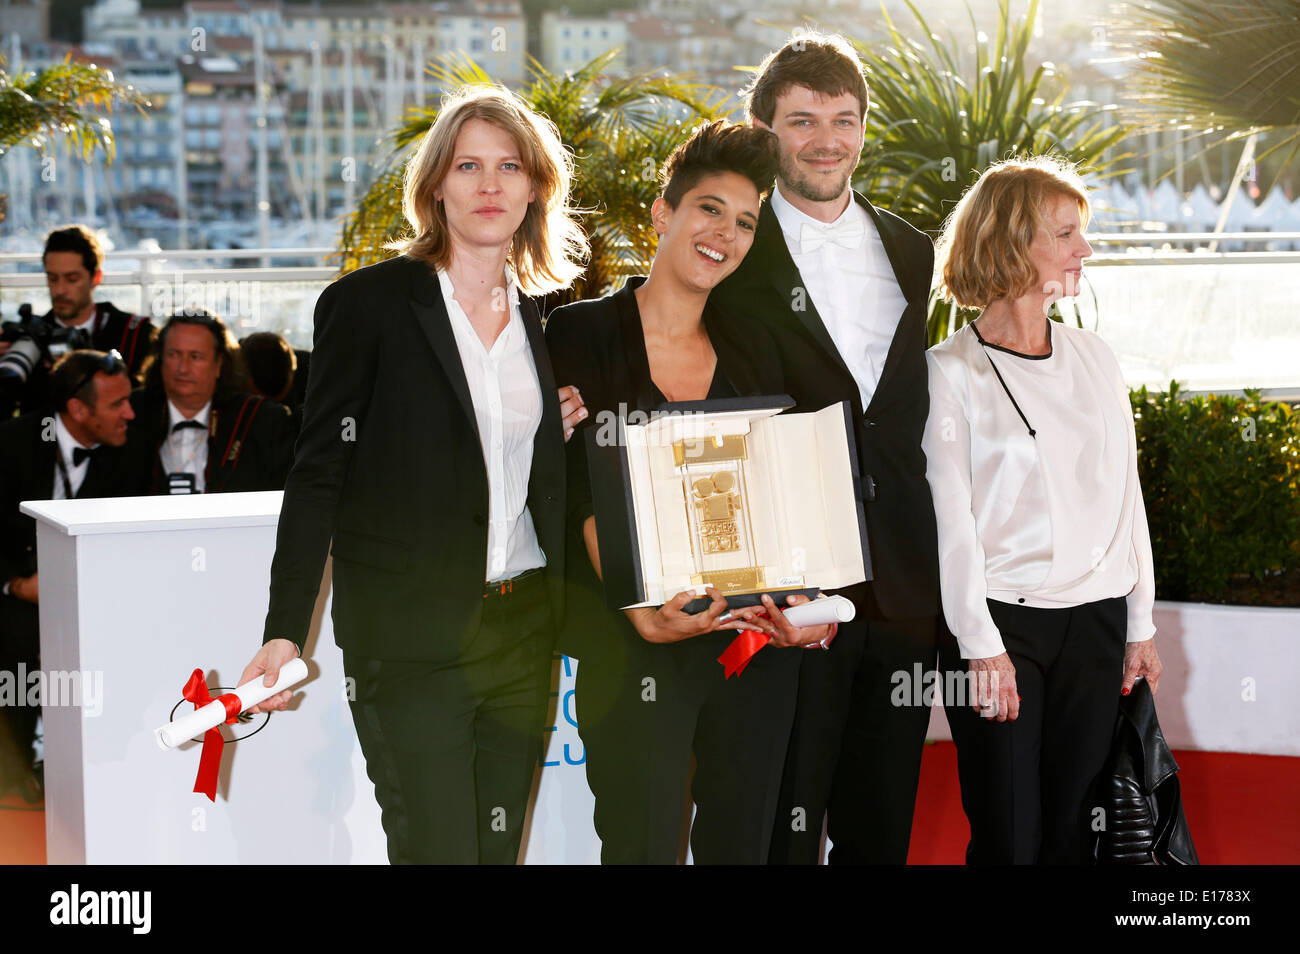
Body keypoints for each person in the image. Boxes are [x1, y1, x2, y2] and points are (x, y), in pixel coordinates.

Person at [238, 85, 589, 864]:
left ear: (536, 187)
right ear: (436, 185)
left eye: (509, 167)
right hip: (408, 641)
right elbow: (318, 474)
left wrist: (549, 435)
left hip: (522, 631)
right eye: (468, 166)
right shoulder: (368, 306)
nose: (489, 185)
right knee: (437, 850)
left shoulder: (544, 315)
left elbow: (501, 456)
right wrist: (286, 629)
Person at [546, 120, 834, 864]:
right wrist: (643, 612)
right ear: (663, 212)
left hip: (750, 642)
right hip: (634, 647)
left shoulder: (757, 345)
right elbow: (584, 493)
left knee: (743, 846)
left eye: (745, 222)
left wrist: (808, 604)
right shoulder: (578, 332)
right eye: (710, 209)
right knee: (640, 847)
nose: (726, 234)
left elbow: (780, 489)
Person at [710, 32, 942, 864]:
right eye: (802, 120)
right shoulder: (730, 254)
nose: (826, 140)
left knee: (882, 830)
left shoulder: (914, 250)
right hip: (791, 586)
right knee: (783, 823)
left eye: (843, 120)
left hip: (906, 587)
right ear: (766, 129)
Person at [921, 156, 1162, 864]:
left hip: (1096, 621)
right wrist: (980, 645)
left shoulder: (1096, 358)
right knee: (1010, 832)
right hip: (1003, 627)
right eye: (1065, 234)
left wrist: (1139, 621)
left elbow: (1127, 494)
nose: (1083, 250)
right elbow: (951, 522)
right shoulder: (948, 372)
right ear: (1011, 242)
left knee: (1076, 828)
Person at [0, 349, 142, 802]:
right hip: (13, 594)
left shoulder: (128, 454)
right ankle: (14, 777)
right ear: (78, 410)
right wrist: (17, 585)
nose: (131, 412)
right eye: (117, 404)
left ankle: (103, 770)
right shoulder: (10, 444)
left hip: (96, 598)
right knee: (15, 639)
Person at [128, 312, 295, 494]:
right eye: (174, 354)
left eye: (195, 356)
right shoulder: (130, 413)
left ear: (219, 364)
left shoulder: (259, 420)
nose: (183, 369)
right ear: (160, 359)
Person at [0, 225, 155, 418]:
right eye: (52, 279)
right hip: (45, 442)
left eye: (72, 279)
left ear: (96, 277)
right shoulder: (28, 340)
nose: (60, 290)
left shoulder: (134, 334)